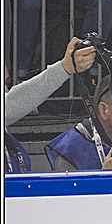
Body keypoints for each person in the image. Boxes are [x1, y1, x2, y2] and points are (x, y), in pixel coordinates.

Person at [5, 37, 97, 172]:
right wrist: (64, 68)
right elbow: (9, 105)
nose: (6, 91)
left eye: (6, 83)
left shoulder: (10, 141)